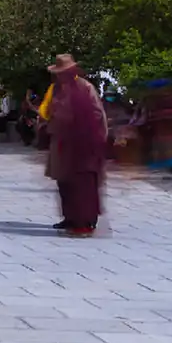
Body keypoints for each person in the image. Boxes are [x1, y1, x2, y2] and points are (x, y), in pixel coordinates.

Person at [44, 54, 110, 237]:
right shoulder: (56, 89)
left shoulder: (85, 87)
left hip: (81, 142)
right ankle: (70, 217)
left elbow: (97, 114)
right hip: (61, 141)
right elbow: (50, 110)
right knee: (63, 181)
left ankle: (86, 219)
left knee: (83, 183)